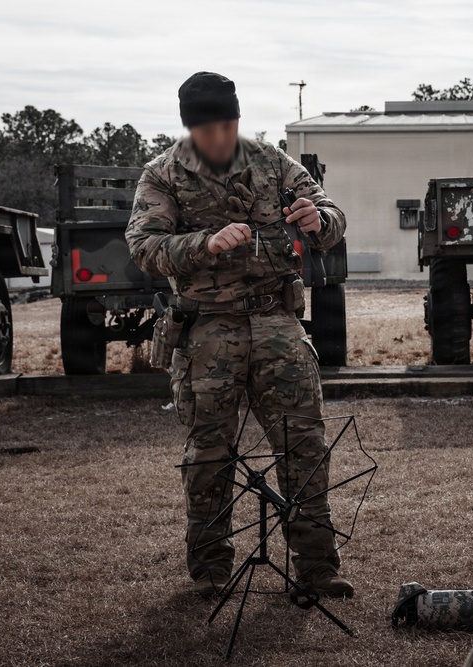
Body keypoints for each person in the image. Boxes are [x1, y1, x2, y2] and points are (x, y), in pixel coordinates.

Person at [125, 71, 352, 599]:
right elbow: (144, 247)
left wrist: (318, 220)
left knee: (304, 443)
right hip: (207, 328)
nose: (221, 138)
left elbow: (336, 216)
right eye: (209, 130)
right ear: (190, 129)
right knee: (209, 453)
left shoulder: (272, 161)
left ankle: (317, 569)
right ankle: (210, 573)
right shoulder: (162, 174)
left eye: (228, 125)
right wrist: (205, 243)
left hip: (276, 322)